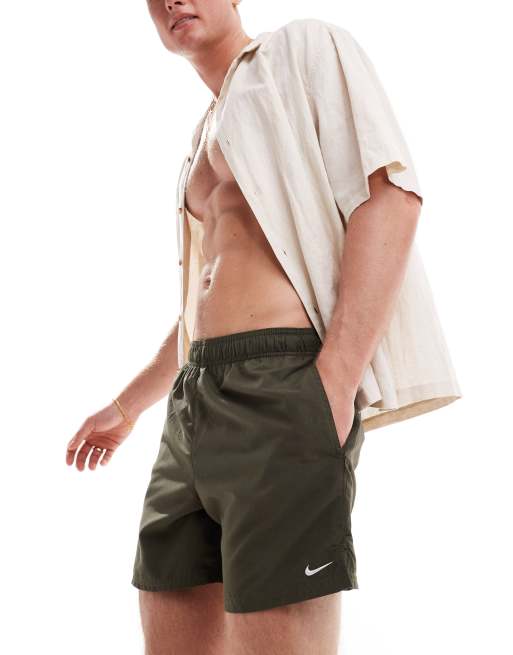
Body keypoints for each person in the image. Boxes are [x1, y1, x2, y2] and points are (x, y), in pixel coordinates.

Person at [66, 2, 461, 653]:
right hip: (194, 397)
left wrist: (335, 381)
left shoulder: (301, 51)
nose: (173, 0)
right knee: (167, 609)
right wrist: (127, 404)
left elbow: (390, 195)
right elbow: (201, 301)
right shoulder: (202, 133)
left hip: (284, 381)